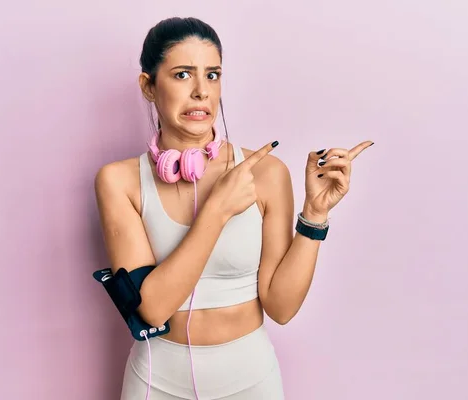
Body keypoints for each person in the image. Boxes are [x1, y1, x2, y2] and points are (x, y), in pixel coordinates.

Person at [94, 16, 373, 400]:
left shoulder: (266, 173)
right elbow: (153, 310)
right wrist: (217, 210)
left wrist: (315, 216)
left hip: (250, 381)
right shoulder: (118, 181)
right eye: (181, 75)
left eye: (212, 75)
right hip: (155, 382)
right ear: (148, 86)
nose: (201, 92)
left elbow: (281, 307)